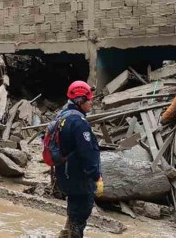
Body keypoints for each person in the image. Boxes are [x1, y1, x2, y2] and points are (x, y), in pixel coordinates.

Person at [55, 81, 103, 238]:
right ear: (79, 101)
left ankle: (65, 234)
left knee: (73, 210)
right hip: (79, 178)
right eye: (89, 99)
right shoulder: (78, 123)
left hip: (65, 175)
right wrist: (96, 176)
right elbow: (87, 154)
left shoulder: (62, 116)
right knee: (80, 214)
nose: (92, 102)